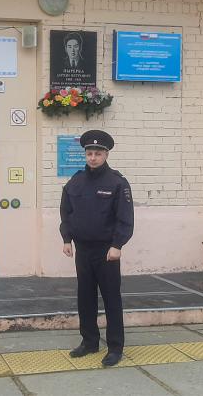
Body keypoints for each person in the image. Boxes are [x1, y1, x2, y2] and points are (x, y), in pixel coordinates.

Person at [59, 130, 134, 367]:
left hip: (106, 252)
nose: (93, 157)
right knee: (85, 298)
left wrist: (117, 244)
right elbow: (66, 212)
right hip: (83, 250)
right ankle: (89, 341)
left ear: (106, 154)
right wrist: (66, 239)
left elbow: (125, 217)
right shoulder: (76, 181)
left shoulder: (117, 182)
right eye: (89, 153)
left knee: (111, 299)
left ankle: (115, 347)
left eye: (97, 153)